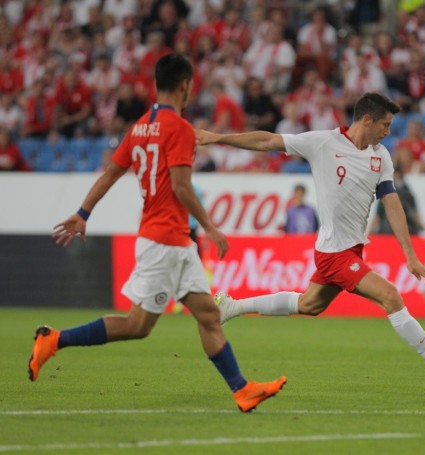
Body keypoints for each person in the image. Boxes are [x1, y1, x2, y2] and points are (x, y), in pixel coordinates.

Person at [27, 53, 286, 413]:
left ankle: (242, 390)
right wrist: (211, 228)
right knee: (137, 325)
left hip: (170, 240)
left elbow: (110, 175)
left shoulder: (139, 128)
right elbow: (181, 186)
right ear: (185, 85)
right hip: (165, 241)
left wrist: (83, 212)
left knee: (208, 315)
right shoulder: (177, 128)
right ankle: (53, 340)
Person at [195, 92, 425, 387]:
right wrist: (215, 138)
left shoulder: (380, 156)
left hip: (348, 250)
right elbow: (267, 141)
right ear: (367, 120)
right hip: (336, 253)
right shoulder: (323, 143)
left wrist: (410, 255)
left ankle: (232, 307)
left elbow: (391, 202)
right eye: (385, 125)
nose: (388, 132)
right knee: (391, 296)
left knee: (310, 304)